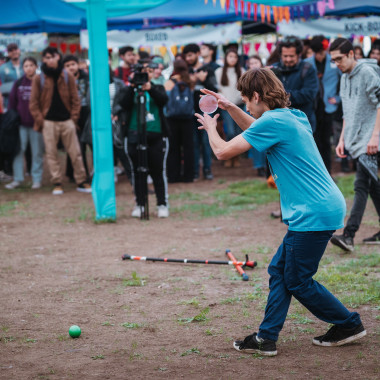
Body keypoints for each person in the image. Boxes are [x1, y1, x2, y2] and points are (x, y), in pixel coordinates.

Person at [196, 68, 366, 357]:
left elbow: (223, 152)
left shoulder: (275, 121)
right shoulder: (292, 116)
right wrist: (231, 108)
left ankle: (349, 324)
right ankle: (267, 337)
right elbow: (256, 127)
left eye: (246, 99)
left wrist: (213, 128)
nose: (246, 104)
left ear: (258, 96)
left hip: (313, 212)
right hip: (318, 207)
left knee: (298, 280)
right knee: (279, 271)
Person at [329, 38, 380, 250]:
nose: (337, 63)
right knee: (373, 186)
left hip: (370, 140)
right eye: (334, 60)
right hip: (356, 140)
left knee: (360, 185)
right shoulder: (344, 78)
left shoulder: (368, 73)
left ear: (352, 54)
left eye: (340, 59)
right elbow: (347, 112)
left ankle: (348, 235)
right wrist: (342, 140)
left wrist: (375, 136)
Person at [29, 47, 91, 195]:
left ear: (58, 57)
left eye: (53, 56)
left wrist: (73, 118)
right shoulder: (40, 78)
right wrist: (41, 120)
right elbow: (33, 103)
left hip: (67, 121)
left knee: (75, 152)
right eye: (47, 57)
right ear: (44, 59)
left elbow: (76, 99)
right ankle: (57, 182)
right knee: (51, 153)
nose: (50, 59)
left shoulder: (67, 75)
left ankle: (81, 180)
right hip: (48, 122)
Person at [116, 61, 170, 218]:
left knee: (157, 171)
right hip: (134, 134)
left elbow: (163, 101)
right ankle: (139, 204)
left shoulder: (158, 87)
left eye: (149, 72)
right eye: (143, 72)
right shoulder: (129, 89)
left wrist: (150, 88)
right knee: (137, 172)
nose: (146, 75)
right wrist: (133, 87)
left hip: (156, 134)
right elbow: (123, 104)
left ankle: (162, 204)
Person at [5, 57, 44, 190]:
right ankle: (17, 179)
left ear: (36, 66)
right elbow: (12, 103)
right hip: (20, 125)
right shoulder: (18, 83)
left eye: (31, 65)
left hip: (37, 124)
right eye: (26, 66)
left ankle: (37, 179)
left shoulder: (41, 82)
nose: (29, 68)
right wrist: (12, 120)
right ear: (23, 68)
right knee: (18, 152)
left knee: (37, 152)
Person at [305, 35, 341, 173]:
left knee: (326, 142)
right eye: (317, 53)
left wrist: (338, 98)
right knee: (314, 142)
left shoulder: (334, 62)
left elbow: (344, 80)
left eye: (322, 53)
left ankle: (328, 172)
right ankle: (316, 173)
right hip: (312, 107)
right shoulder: (307, 63)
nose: (320, 56)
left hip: (328, 107)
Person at [183, 43, 218, 180]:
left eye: (190, 55)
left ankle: (208, 169)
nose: (188, 58)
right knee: (194, 143)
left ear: (198, 54)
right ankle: (196, 171)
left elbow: (214, 90)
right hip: (189, 112)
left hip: (206, 111)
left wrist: (205, 82)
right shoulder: (185, 71)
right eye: (186, 56)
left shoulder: (207, 69)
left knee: (206, 141)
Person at [272, 36, 319, 132]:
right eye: (285, 56)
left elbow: (308, 94)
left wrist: (281, 96)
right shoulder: (274, 69)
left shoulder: (308, 69)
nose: (288, 59)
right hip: (280, 122)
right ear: (280, 55)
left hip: (303, 122)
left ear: (299, 54)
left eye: (291, 56)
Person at [164, 59, 195, 183]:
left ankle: (173, 176)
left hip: (172, 119)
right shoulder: (190, 81)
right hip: (187, 118)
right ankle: (189, 176)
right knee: (188, 148)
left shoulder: (169, 83)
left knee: (173, 148)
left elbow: (166, 101)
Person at [62, 55, 91, 182]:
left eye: (72, 64)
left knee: (87, 144)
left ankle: (88, 173)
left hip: (86, 114)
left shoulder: (87, 78)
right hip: (71, 115)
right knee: (75, 145)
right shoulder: (63, 80)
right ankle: (76, 173)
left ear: (78, 65)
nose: (71, 67)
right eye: (67, 66)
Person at [215, 49, 244, 168]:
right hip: (226, 106)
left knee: (239, 132)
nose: (233, 59)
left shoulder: (241, 71)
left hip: (239, 105)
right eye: (230, 56)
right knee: (230, 132)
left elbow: (243, 89)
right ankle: (230, 156)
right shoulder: (219, 71)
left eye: (235, 57)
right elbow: (219, 89)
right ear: (226, 58)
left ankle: (236, 157)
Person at [0, 43, 24, 109]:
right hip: (9, 104)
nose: (14, 52)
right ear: (8, 53)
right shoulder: (2, 68)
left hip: (26, 104)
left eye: (15, 49)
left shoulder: (26, 65)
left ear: (19, 50)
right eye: (11, 50)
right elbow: (2, 87)